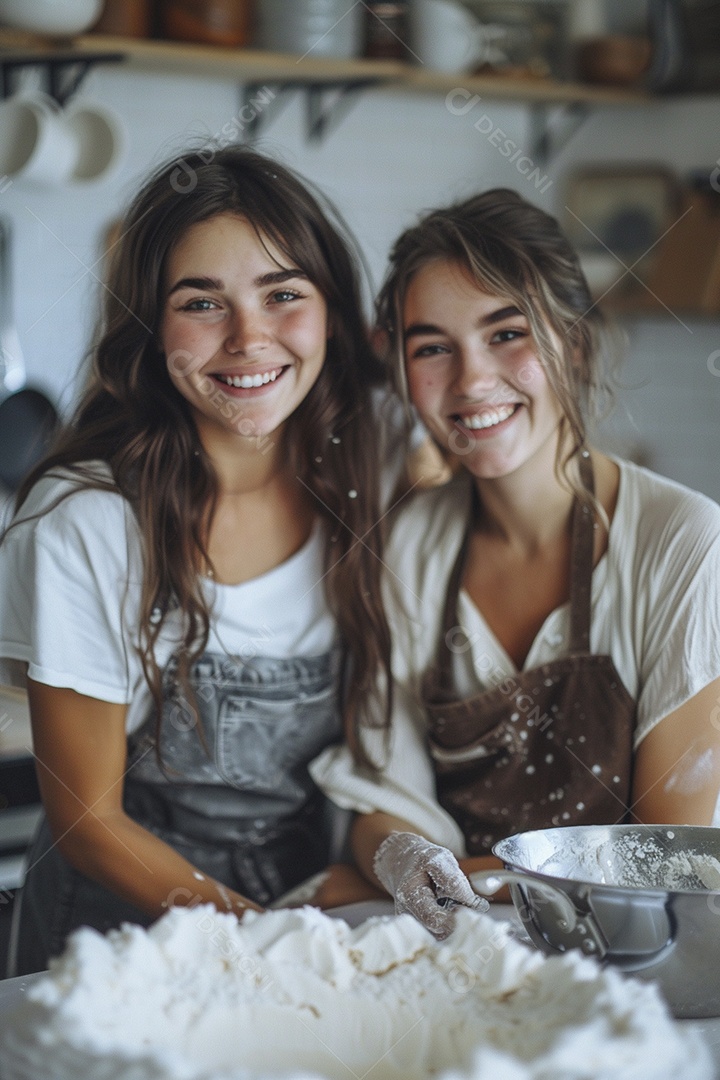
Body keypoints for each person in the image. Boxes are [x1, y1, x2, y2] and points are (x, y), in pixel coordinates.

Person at [0, 145, 393, 975]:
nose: (249, 339)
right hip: (116, 944)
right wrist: (265, 942)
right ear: (149, 326)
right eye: (202, 303)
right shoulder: (89, 520)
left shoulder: (367, 483)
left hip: (299, 907)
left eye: (282, 294)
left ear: (330, 311)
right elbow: (89, 822)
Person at [310, 187, 720, 937]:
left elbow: (666, 859)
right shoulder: (403, 547)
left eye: (506, 333)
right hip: (463, 955)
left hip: (641, 963)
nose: (471, 381)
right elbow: (385, 802)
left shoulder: (684, 543)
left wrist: (461, 875)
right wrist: (398, 857)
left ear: (575, 343)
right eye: (432, 347)